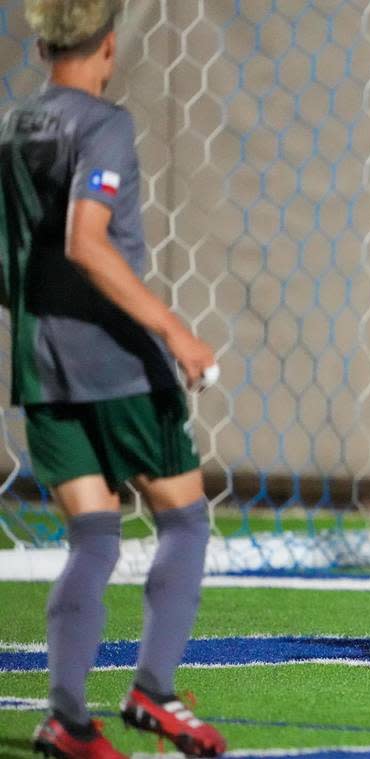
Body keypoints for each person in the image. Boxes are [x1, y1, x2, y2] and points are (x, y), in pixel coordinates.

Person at [1, 2, 226, 757]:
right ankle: (154, 691)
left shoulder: (10, 130)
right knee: (186, 521)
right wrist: (175, 332)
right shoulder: (105, 125)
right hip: (118, 363)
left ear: (39, 43)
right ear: (107, 45)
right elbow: (87, 243)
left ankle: (66, 718)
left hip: (43, 366)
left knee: (93, 537)